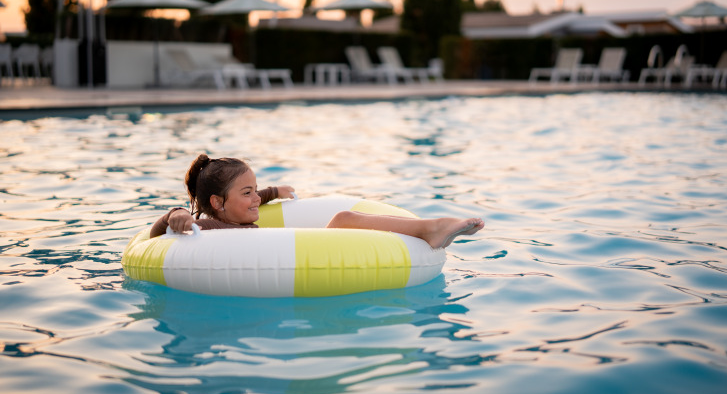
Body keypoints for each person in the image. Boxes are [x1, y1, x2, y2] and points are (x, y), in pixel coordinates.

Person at [151, 154, 484, 249]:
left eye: (256, 190)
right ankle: (431, 228)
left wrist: (274, 192)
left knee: (344, 217)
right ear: (217, 203)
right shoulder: (210, 226)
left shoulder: (233, 213)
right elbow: (157, 236)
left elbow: (257, 199)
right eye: (247, 193)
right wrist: (174, 213)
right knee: (342, 218)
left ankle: (431, 228)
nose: (256, 199)